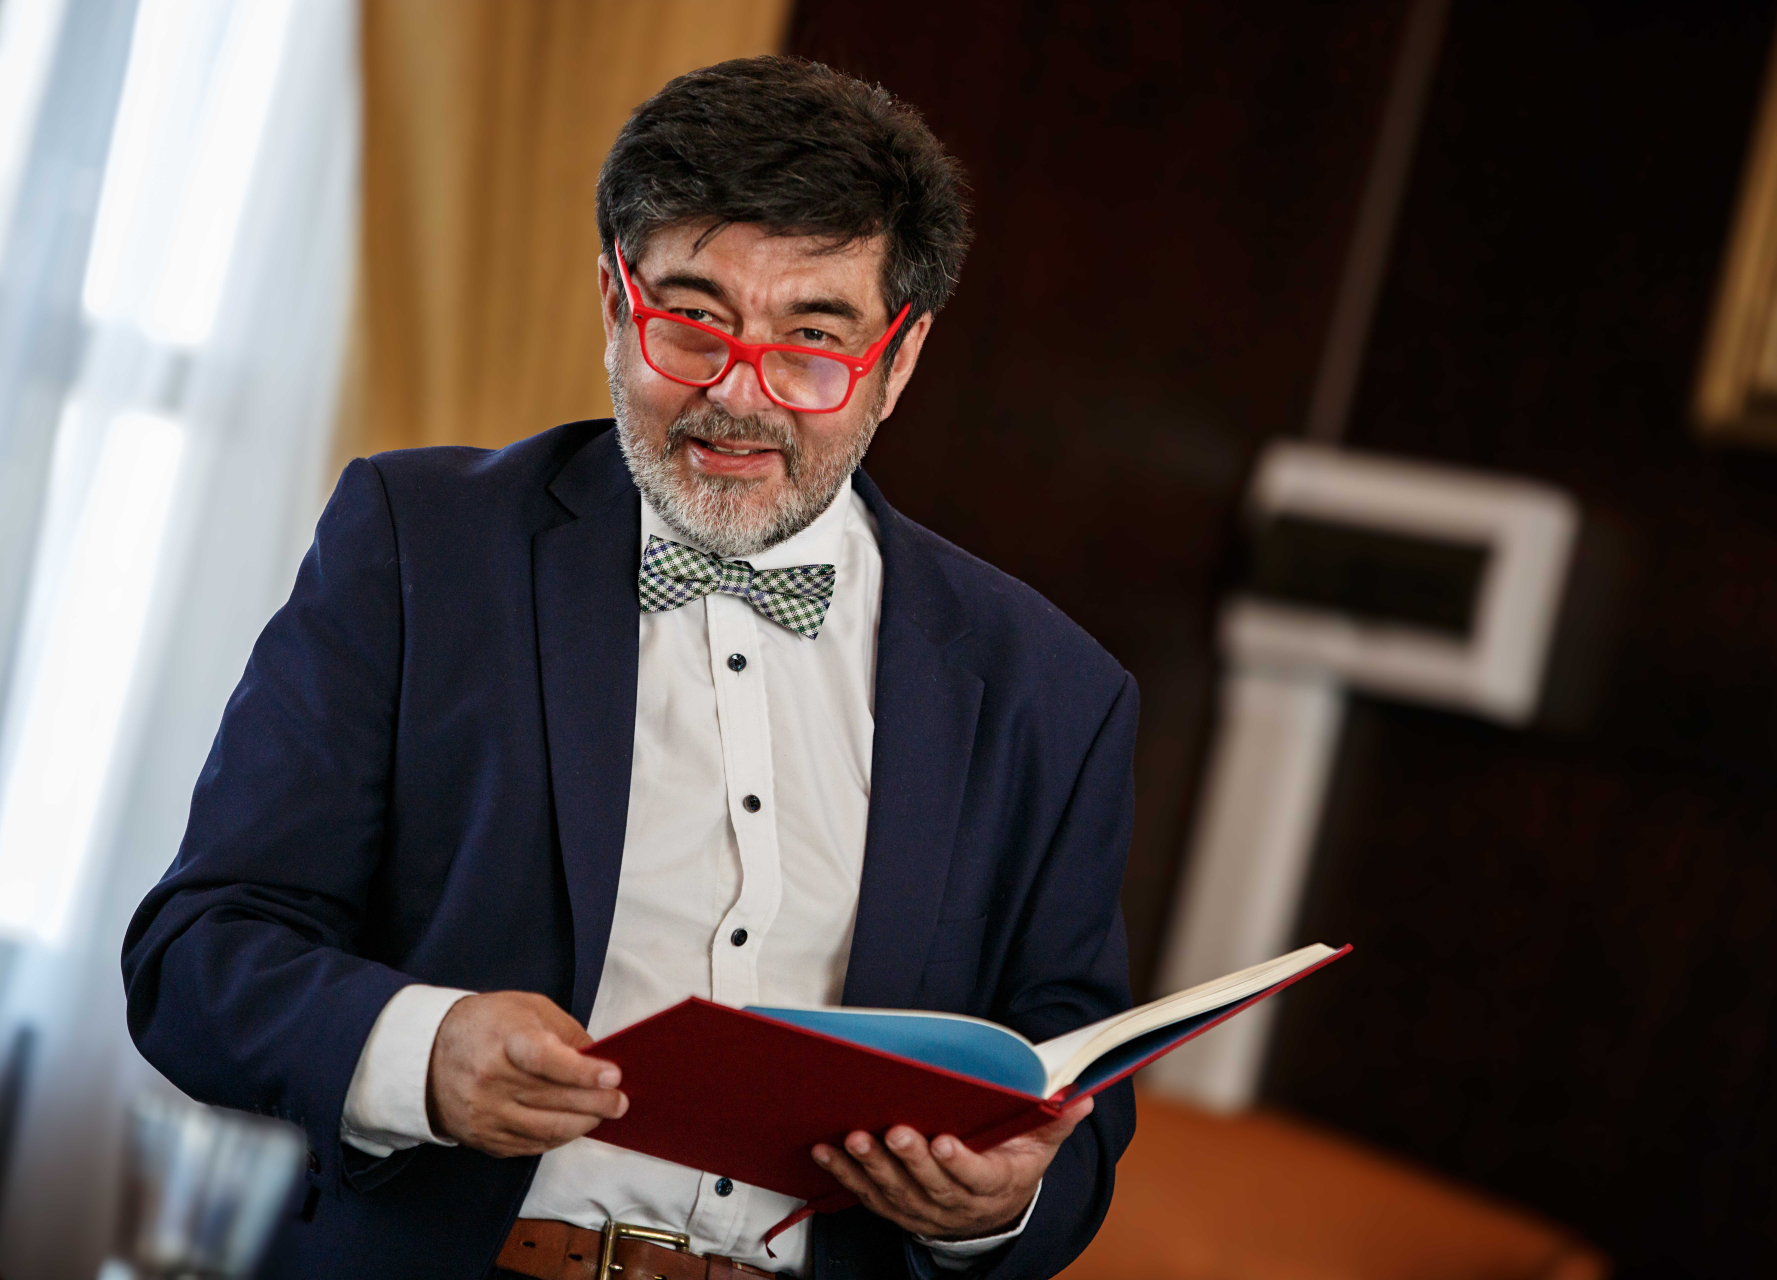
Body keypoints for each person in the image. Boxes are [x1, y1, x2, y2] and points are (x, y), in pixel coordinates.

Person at [123, 55, 1137, 1280]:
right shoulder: (417, 543)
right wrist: (420, 1051)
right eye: (693, 322)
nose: (741, 396)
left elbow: (1080, 1105)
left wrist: (993, 1203)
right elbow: (197, 953)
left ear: (901, 357)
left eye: (813, 340)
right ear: (614, 300)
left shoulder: (1053, 692)